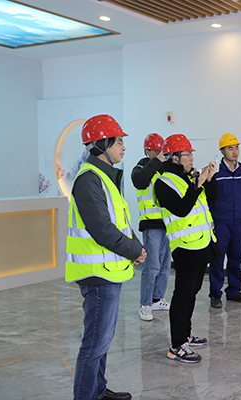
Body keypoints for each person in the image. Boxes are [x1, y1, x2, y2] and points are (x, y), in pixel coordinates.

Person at [65, 114, 146, 400]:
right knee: (94, 344)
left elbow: (120, 222)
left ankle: (98, 391)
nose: (123, 146)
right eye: (118, 141)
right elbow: (101, 229)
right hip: (97, 274)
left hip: (108, 270)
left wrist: (136, 247)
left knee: (102, 340)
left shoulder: (104, 177)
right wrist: (134, 250)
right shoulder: (89, 180)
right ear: (101, 145)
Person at [153, 134, 219, 363]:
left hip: (202, 243)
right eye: (187, 154)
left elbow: (213, 199)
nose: (191, 158)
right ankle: (177, 345)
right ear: (174, 157)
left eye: (191, 154)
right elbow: (181, 209)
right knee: (182, 295)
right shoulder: (163, 182)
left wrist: (209, 179)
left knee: (193, 292)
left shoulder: (188, 177)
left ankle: (186, 334)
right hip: (185, 247)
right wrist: (197, 184)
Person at [131, 133, 171, 321]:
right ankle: (145, 304)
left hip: (168, 224)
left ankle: (157, 299)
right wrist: (157, 161)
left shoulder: (165, 169)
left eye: (162, 150)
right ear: (147, 151)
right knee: (152, 266)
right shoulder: (140, 168)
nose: (160, 154)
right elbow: (140, 181)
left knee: (165, 265)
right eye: (156, 151)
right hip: (151, 224)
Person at [209, 133, 241, 308]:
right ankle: (215, 294)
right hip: (221, 223)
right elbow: (210, 198)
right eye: (230, 148)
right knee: (217, 260)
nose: (235, 151)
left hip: (240, 223)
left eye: (236, 148)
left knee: (236, 258)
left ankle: (234, 291)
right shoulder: (216, 172)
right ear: (222, 151)